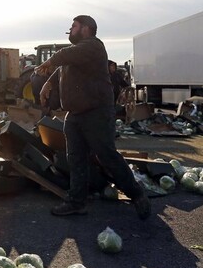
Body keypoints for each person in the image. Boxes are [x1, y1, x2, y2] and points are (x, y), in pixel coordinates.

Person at [36, 15, 151, 219]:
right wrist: (50, 83)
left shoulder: (93, 46)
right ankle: (76, 202)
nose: (70, 30)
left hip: (96, 112)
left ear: (86, 29)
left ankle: (137, 193)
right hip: (75, 114)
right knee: (76, 158)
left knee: (106, 155)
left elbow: (66, 55)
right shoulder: (78, 54)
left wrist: (51, 61)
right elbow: (65, 66)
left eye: (74, 26)